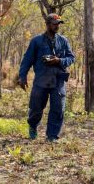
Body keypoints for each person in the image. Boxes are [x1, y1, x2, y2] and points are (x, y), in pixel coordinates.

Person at [18, 13, 75, 142]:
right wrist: (22, 76)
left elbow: (71, 58)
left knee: (58, 109)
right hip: (41, 80)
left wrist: (59, 60)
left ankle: (52, 136)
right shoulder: (36, 41)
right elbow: (27, 60)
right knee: (36, 108)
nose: (57, 26)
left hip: (58, 81)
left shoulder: (63, 40)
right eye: (55, 24)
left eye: (59, 24)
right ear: (48, 24)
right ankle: (33, 126)